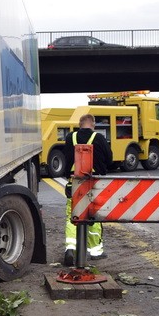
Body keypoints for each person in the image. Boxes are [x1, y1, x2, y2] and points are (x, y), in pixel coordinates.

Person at [63, 113, 113, 266]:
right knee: (94, 217)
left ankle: (70, 248)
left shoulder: (70, 137)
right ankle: (95, 251)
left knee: (73, 216)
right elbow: (109, 159)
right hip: (94, 184)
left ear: (80, 124)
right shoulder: (98, 138)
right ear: (93, 124)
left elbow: (66, 159)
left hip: (75, 183)